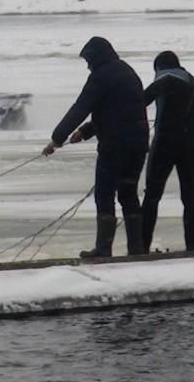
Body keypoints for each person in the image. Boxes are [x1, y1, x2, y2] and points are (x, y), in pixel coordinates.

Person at [43, 37, 149, 257]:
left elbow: (80, 107)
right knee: (129, 193)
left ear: (96, 57)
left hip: (115, 145)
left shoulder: (100, 76)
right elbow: (119, 110)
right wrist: (86, 131)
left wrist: (57, 138)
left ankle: (103, 249)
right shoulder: (127, 72)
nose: (88, 66)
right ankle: (136, 250)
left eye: (89, 61)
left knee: (104, 193)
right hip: (138, 143)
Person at [141, 51, 194, 253]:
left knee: (152, 196)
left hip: (164, 143)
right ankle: (191, 245)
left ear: (159, 68)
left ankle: (142, 246)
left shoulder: (164, 79)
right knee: (190, 197)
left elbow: (137, 103)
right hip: (190, 145)